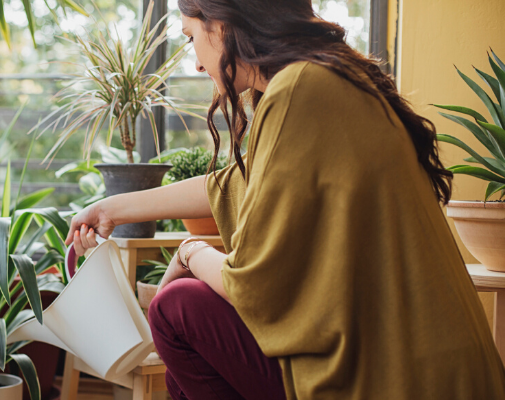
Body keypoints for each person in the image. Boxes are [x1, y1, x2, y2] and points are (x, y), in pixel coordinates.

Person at [64, 0, 505, 398]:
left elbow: (254, 288)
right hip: (441, 368)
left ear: (222, 24)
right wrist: (111, 209)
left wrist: (190, 250)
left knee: (176, 307)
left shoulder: (300, 89)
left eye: (190, 38)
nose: (196, 64)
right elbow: (233, 183)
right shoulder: (326, 79)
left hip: (396, 379)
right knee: (184, 302)